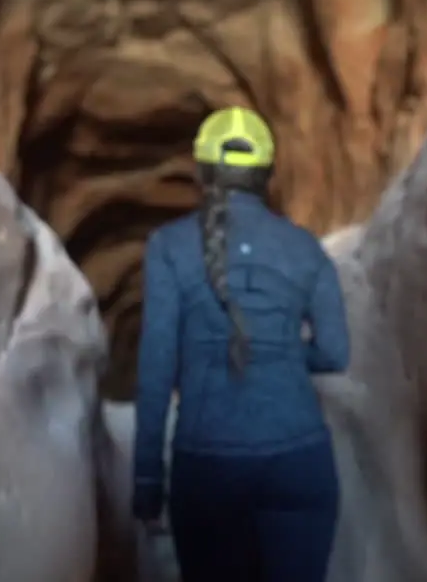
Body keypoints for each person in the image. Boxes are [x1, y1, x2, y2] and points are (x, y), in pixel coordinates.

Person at [131, 106, 352, 582]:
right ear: (267, 175)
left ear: (202, 170)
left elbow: (156, 369)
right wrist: (285, 357)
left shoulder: (168, 247)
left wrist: (148, 478)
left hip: (208, 465)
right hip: (299, 461)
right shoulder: (305, 248)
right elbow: (335, 352)